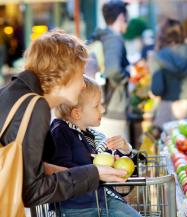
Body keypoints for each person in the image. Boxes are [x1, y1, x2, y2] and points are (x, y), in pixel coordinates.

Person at [0, 30, 127, 207]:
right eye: (80, 73)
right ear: (63, 74)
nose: (83, 84)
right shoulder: (36, 106)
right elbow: (32, 191)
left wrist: (86, 173)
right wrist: (93, 174)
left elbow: (24, 166)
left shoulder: (13, 92)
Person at [50, 76, 141, 217]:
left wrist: (125, 150)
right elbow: (62, 170)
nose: (103, 109)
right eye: (97, 105)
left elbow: (119, 168)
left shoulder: (94, 135)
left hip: (102, 201)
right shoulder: (60, 133)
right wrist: (94, 171)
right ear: (77, 113)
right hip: (77, 208)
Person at [90, 0, 130, 140]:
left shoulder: (102, 36)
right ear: (121, 17)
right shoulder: (114, 39)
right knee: (120, 155)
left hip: (104, 106)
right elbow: (113, 71)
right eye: (126, 17)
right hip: (114, 109)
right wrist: (128, 74)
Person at [150, 18, 187, 127]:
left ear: (162, 34)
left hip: (168, 108)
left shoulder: (158, 56)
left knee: (170, 142)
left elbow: (157, 89)